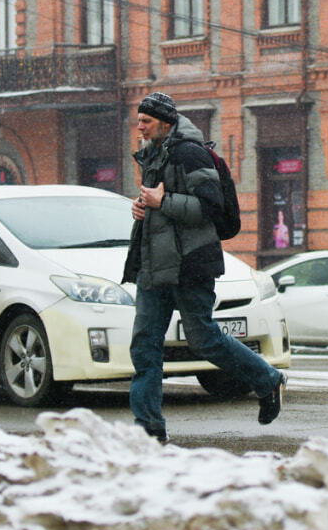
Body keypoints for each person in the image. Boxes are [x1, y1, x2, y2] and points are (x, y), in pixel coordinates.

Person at [122, 91, 285, 443]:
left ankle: (267, 380)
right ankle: (148, 431)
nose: (140, 127)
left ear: (164, 123)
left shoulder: (190, 153)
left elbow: (209, 207)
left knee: (204, 339)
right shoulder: (153, 155)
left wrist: (162, 201)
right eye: (139, 121)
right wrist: (143, 208)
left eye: (146, 122)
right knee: (144, 347)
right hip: (154, 267)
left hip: (189, 265)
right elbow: (160, 207)